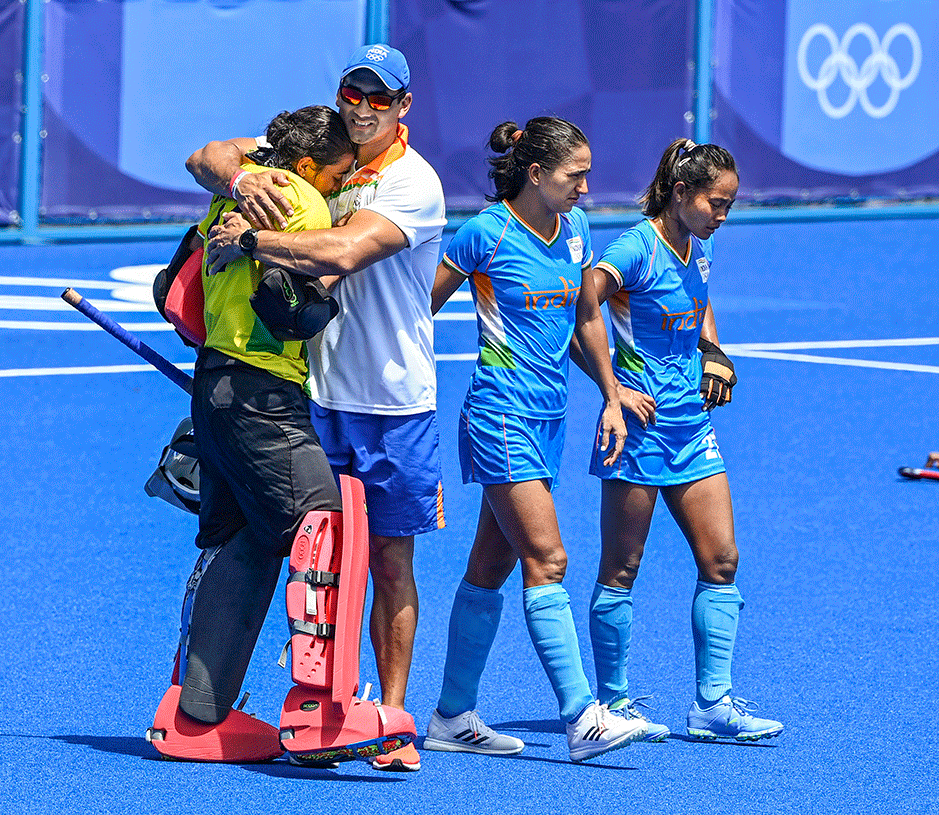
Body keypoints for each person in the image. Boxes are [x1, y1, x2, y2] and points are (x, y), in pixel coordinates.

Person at [186, 44, 446, 772]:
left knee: (388, 561)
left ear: (403, 108)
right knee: (318, 551)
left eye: (378, 98)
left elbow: (339, 253)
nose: (362, 108)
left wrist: (250, 234)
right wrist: (242, 177)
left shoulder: (412, 183)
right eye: (352, 93)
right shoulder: (311, 152)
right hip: (313, 394)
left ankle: (390, 720)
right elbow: (203, 156)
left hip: (392, 402)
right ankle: (316, 711)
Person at [152, 105, 395, 761]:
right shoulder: (300, 201)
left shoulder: (235, 191)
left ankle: (196, 716)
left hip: (215, 389)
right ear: (313, 164)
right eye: (340, 173)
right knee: (325, 528)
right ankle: (321, 715)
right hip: (263, 393)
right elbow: (309, 290)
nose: (342, 186)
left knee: (246, 539)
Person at [424, 117, 648, 763]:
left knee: (490, 565)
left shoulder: (575, 229)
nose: (586, 185)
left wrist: (610, 392)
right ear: (535, 173)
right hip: (499, 414)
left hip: (550, 417)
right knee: (547, 559)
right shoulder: (485, 235)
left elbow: (585, 318)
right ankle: (584, 718)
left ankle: (449, 715)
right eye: (575, 174)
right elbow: (416, 314)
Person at [582, 138, 784, 742]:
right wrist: (612, 392)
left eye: (729, 205)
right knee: (621, 568)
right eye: (714, 204)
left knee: (722, 559)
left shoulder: (699, 246)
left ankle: (712, 705)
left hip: (691, 425)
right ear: (680, 193)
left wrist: (712, 349)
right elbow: (582, 302)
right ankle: (613, 705)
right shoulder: (634, 249)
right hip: (637, 430)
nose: (722, 216)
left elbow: (700, 302)